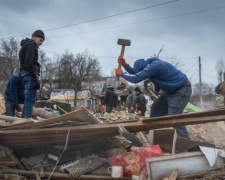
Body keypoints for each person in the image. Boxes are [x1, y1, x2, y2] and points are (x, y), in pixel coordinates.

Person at [115, 56, 192, 139]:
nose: (142, 73)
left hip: (181, 89)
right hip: (170, 91)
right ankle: (148, 135)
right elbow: (136, 72)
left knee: (174, 116)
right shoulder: (148, 65)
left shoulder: (154, 66)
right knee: (156, 108)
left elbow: (136, 78)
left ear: (143, 68)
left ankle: (186, 144)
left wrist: (122, 74)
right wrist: (125, 65)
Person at [19, 30, 45, 118]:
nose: (41, 43)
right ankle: (26, 125)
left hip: (26, 75)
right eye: (40, 40)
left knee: (28, 101)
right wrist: (35, 79)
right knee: (30, 101)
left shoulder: (26, 45)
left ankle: (23, 122)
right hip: (30, 75)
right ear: (34, 37)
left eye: (42, 41)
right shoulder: (31, 45)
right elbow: (29, 62)